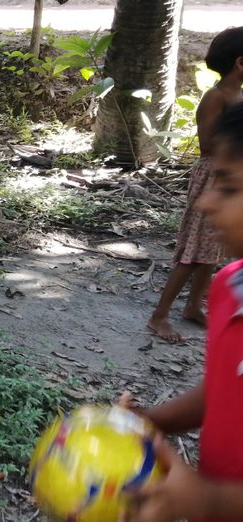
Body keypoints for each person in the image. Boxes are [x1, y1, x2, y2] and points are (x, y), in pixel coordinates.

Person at [122, 103, 243, 521]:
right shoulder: (230, 288)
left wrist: (209, 501)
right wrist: (150, 423)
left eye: (229, 187)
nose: (206, 202)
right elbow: (223, 391)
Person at [147, 26, 243, 342]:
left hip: (227, 179)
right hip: (214, 179)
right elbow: (206, 144)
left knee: (211, 251)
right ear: (240, 63)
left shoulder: (238, 96)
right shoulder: (216, 96)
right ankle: (159, 316)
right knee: (193, 252)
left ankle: (193, 307)